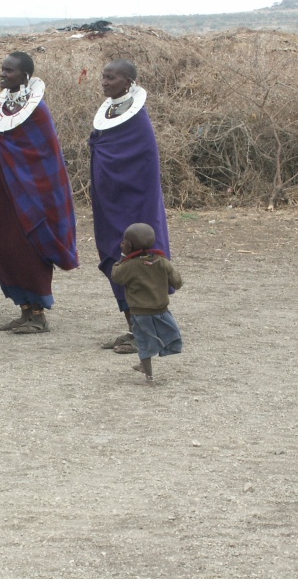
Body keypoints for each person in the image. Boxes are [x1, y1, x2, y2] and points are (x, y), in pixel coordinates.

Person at [0, 51, 78, 334]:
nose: (2, 74)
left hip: (30, 197)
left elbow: (44, 157)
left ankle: (38, 313)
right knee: (7, 246)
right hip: (3, 191)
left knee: (28, 248)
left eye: (8, 70)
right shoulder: (2, 109)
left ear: (25, 76)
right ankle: (24, 310)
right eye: (2, 68)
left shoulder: (38, 112)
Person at [90, 59, 173, 354]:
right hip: (111, 203)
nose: (104, 82)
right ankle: (134, 328)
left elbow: (144, 163)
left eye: (111, 78)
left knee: (140, 261)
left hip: (137, 205)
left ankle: (149, 333)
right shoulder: (109, 114)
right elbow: (105, 151)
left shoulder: (138, 121)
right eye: (103, 76)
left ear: (128, 83)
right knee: (117, 258)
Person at [111, 223, 183, 383]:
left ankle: (148, 374)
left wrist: (122, 256)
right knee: (169, 334)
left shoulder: (129, 265)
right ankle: (152, 362)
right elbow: (177, 282)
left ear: (128, 245)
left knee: (143, 341)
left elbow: (116, 276)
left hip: (140, 313)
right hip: (162, 311)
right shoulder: (162, 261)